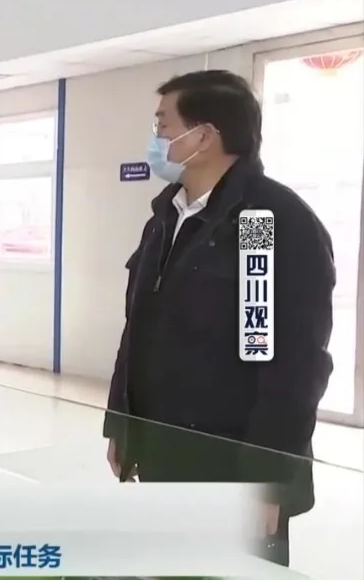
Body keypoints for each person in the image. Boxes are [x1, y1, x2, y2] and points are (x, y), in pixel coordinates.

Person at [103, 69, 334, 567]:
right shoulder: (166, 217)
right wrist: (122, 424)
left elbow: (289, 362)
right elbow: (137, 329)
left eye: (163, 125)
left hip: (230, 464)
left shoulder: (259, 222)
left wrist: (265, 478)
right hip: (164, 450)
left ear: (205, 136)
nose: (156, 138)